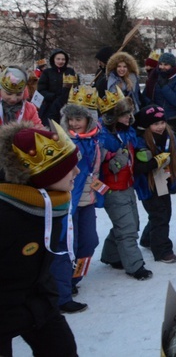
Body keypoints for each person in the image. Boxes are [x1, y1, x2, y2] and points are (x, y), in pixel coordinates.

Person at [0, 121, 81, 356]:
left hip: (38, 304)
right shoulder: (7, 214)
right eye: (68, 167)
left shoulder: (49, 203)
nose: (76, 171)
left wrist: (46, 301)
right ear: (43, 175)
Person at [50, 85, 103, 315]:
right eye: (70, 118)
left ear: (89, 119)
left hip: (87, 201)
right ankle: (61, 295)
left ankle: (73, 279)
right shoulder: (60, 142)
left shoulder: (96, 140)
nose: (73, 123)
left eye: (79, 118)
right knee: (64, 247)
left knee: (89, 242)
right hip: (66, 203)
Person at [97, 87, 153, 280]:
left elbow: (136, 143)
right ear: (113, 116)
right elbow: (97, 157)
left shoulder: (126, 132)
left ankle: (111, 255)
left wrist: (143, 151)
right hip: (112, 189)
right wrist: (110, 158)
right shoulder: (103, 136)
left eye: (129, 113)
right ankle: (135, 266)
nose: (129, 116)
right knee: (127, 228)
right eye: (124, 114)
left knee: (131, 224)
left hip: (127, 185)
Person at [133, 105, 176, 264]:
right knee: (159, 215)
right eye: (155, 124)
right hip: (148, 185)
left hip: (163, 182)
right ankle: (162, 251)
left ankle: (148, 239)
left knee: (164, 212)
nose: (160, 126)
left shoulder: (169, 136)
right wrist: (154, 162)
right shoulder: (140, 141)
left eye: (162, 122)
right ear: (147, 126)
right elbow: (138, 168)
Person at [145, 52, 176, 136]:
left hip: (173, 117)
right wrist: (151, 104)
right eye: (160, 64)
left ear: (172, 65)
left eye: (166, 65)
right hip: (157, 117)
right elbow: (147, 94)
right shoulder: (155, 75)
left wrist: (164, 86)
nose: (162, 67)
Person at [37, 48, 77, 125]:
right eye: (58, 59)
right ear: (53, 59)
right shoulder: (47, 72)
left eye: (63, 59)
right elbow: (41, 90)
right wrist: (53, 96)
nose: (60, 61)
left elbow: (76, 88)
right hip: (50, 106)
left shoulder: (70, 71)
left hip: (67, 106)